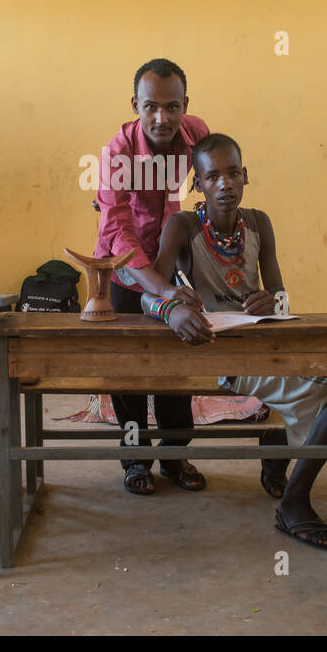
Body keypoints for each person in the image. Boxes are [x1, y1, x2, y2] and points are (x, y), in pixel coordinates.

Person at [141, 133, 327, 549]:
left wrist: (272, 301)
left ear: (246, 175)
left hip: (267, 346)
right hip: (219, 355)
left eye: (233, 173)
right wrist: (173, 310)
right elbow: (148, 294)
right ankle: (294, 503)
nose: (224, 184)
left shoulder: (259, 223)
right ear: (198, 184)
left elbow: (282, 297)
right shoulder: (183, 227)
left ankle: (281, 446)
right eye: (212, 176)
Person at [93, 58, 213, 496]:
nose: (162, 117)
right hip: (127, 271)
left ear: (185, 105)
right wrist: (162, 291)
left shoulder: (196, 133)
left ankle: (176, 458)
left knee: (173, 369)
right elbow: (118, 234)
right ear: (135, 106)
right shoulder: (116, 153)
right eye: (151, 107)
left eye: (172, 106)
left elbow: (213, 184)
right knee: (128, 374)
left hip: (170, 259)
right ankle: (135, 461)